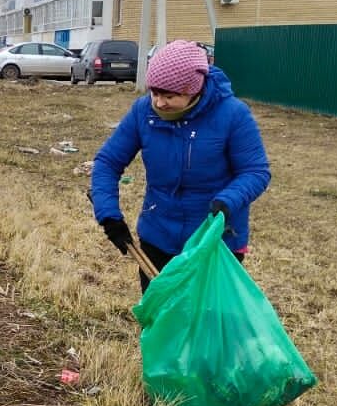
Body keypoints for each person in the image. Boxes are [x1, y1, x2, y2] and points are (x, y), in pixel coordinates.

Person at [89, 39, 270, 289]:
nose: (159, 103)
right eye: (154, 92)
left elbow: (255, 171)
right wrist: (108, 215)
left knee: (205, 322)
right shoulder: (144, 112)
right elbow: (108, 162)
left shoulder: (233, 114)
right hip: (158, 238)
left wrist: (227, 201)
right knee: (161, 320)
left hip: (214, 242)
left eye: (169, 95)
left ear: (194, 90)